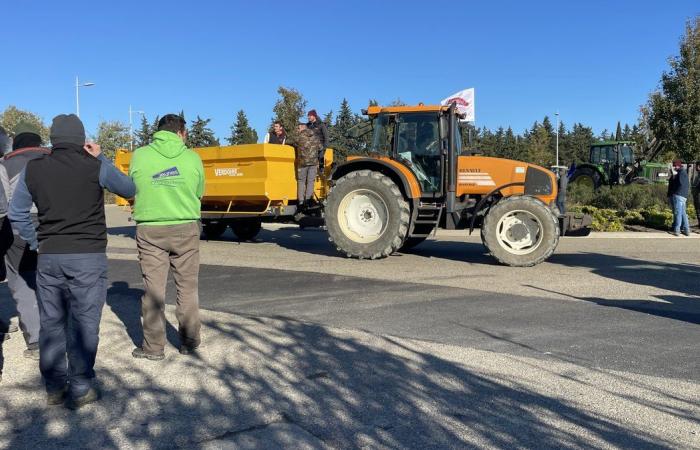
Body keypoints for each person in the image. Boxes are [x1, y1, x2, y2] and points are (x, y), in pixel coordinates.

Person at [9, 114, 135, 409]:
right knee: (85, 321)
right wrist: (102, 157)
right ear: (82, 139)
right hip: (88, 257)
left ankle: (54, 387)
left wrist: (37, 241)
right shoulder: (94, 166)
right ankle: (80, 387)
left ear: (53, 139)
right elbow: (129, 189)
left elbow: (17, 214)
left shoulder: (34, 169)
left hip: (50, 256)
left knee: (51, 322)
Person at [129, 114, 204, 361]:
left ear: (158, 132)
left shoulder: (140, 155)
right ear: (181, 133)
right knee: (187, 287)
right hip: (185, 228)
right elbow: (199, 192)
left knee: (153, 290)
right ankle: (190, 341)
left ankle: (153, 348)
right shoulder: (192, 158)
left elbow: (133, 186)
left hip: (150, 229)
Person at [1, 122, 52, 360]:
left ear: (16, 142)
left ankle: (36, 340)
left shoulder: (6, 164)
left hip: (18, 226)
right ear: (39, 141)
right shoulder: (54, 158)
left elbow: (3, 205)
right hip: (55, 224)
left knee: (22, 279)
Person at [294, 123, 322, 211]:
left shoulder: (299, 138)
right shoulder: (315, 137)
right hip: (313, 162)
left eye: (299, 128)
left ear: (303, 128)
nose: (298, 130)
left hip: (302, 163)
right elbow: (321, 147)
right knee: (310, 181)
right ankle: (308, 199)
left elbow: (290, 142)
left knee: (301, 181)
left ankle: (301, 201)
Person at [667, 159, 690, 236]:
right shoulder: (683, 173)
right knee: (683, 213)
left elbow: (680, 184)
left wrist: (675, 193)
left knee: (678, 213)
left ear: (678, 165)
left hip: (678, 195)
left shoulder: (680, 173)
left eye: (674, 166)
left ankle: (677, 230)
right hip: (684, 196)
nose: (674, 167)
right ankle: (687, 230)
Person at [691, 162, 700, 229]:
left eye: (697, 166)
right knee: (697, 210)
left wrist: (695, 186)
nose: (696, 167)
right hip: (696, 195)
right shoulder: (698, 175)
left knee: (699, 210)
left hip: (699, 195)